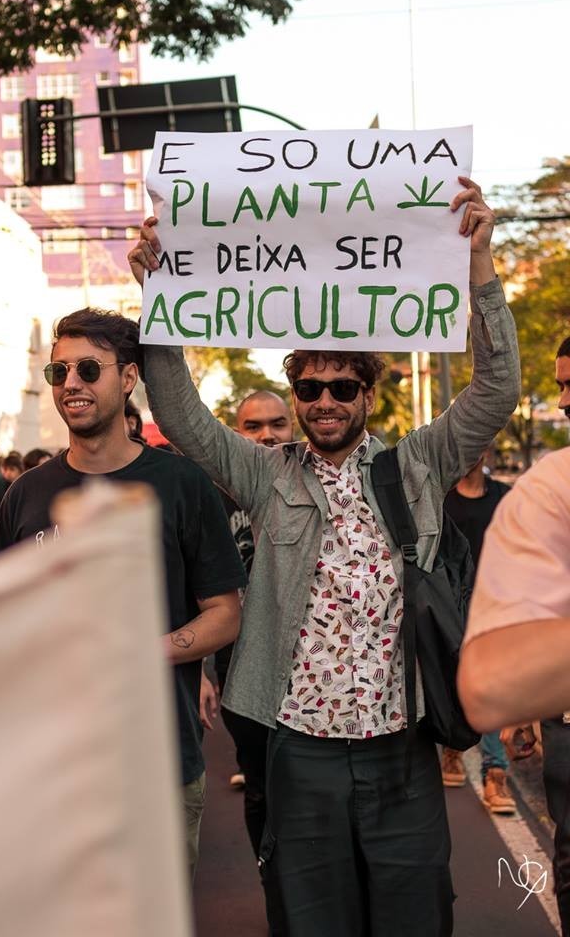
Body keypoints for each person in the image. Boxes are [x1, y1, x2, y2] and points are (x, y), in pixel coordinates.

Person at [129, 177, 520, 936]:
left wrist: (480, 266)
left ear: (368, 393)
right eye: (309, 389)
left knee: (413, 917)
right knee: (312, 922)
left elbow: (497, 389)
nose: (325, 401)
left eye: (343, 386)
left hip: (401, 745)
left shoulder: (418, 464)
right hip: (299, 749)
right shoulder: (265, 476)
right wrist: (158, 293)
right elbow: (180, 413)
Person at [0, 308, 246, 880]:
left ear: (128, 378)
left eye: (88, 369)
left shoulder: (181, 484)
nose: (71, 384)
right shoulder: (25, 495)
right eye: (59, 372)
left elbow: (225, 614)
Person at [459, 335, 570, 936]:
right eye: (562, 387)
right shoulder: (550, 487)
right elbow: (492, 687)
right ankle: (490, 771)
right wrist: (529, 703)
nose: (566, 400)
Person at [201, 390, 293, 861]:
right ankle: (272, 879)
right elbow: (193, 583)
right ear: (237, 433)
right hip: (239, 663)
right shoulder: (213, 495)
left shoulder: (313, 482)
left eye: (277, 423)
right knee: (260, 784)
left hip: (309, 664)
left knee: (310, 784)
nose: (267, 435)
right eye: (253, 426)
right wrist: (201, 671)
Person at [440, 450, 515, 814]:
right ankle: (452, 750)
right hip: (452, 606)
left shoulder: (504, 497)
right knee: (455, 682)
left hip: (494, 607)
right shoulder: (441, 499)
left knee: (491, 689)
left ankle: (495, 772)